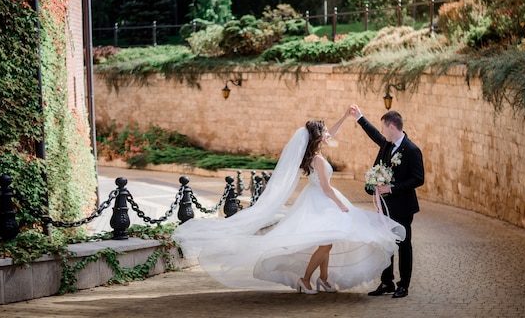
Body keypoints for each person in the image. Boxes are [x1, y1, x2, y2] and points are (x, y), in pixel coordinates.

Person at [173, 109, 405, 293]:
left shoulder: (313, 156)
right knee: (325, 242)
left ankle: (323, 279)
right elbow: (326, 188)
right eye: (324, 132)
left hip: (315, 201)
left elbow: (331, 134)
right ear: (317, 137)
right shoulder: (320, 161)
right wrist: (342, 205)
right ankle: (306, 279)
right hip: (323, 202)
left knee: (328, 240)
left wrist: (345, 117)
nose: (328, 135)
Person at [350, 105, 424, 299]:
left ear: (392, 127)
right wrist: (359, 117)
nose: (382, 131)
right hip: (384, 206)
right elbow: (375, 134)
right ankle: (386, 282)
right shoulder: (387, 145)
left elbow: (418, 178)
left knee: (403, 244)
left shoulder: (412, 150)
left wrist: (392, 188)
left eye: (384, 128)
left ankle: (403, 285)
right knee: (384, 243)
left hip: (403, 206)